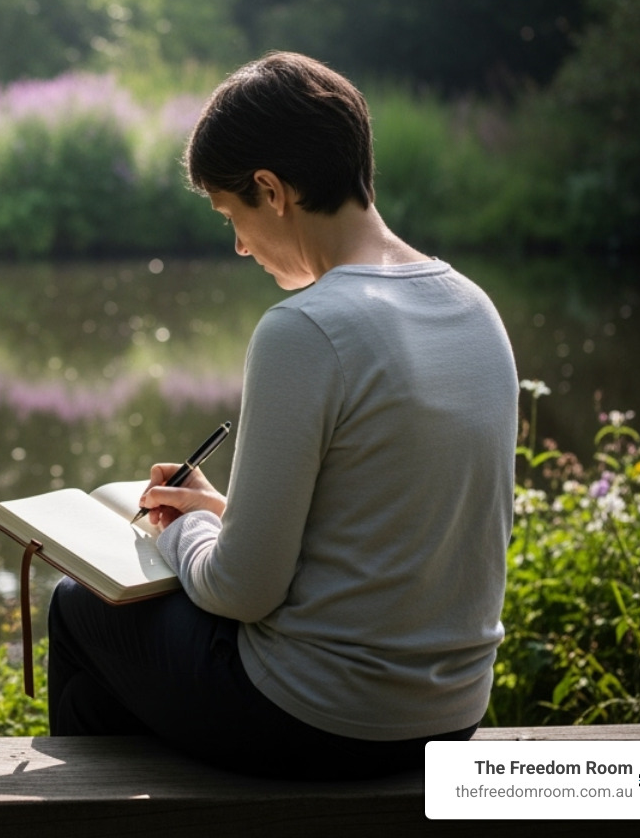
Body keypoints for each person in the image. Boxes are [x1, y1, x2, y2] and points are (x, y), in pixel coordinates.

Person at [46, 51, 518, 780]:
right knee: (108, 705)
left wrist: (187, 531)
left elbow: (242, 591)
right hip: (451, 715)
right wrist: (230, 511)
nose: (238, 245)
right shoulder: (474, 307)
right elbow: (386, 525)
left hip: (319, 716)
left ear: (270, 190)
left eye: (231, 214)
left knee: (79, 606)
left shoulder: (307, 328)